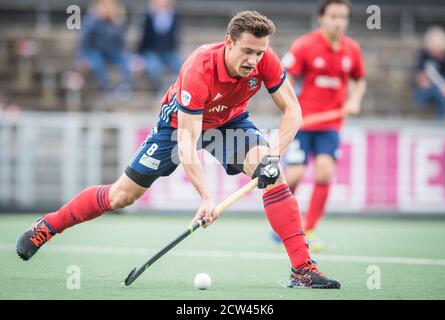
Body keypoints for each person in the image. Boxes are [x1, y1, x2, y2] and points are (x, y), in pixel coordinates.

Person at [17, 11, 340, 289]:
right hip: (177, 125)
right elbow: (188, 142)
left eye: (259, 53)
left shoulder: (264, 59)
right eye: (247, 52)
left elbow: (293, 111)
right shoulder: (198, 68)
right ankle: (47, 226)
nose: (253, 60)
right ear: (228, 42)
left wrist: (274, 154)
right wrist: (205, 198)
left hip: (230, 121)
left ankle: (302, 269)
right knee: (121, 196)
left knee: (272, 175)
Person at [279, 0, 366, 251]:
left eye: (343, 17)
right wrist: (289, 108)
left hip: (330, 125)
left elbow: (360, 80)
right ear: (321, 18)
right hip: (302, 123)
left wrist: (354, 100)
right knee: (294, 175)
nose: (338, 22)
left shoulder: (352, 49)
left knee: (325, 173)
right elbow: (286, 79)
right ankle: (284, 224)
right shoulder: (304, 45)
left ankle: (309, 228)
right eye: (333, 16)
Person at [76, 0, 132, 97]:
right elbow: (84, 41)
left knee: (126, 60)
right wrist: (81, 57)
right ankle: (106, 88)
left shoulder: (115, 22)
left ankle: (125, 87)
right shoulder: (92, 20)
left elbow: (120, 43)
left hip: (112, 52)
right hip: (94, 51)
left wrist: (117, 23)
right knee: (98, 63)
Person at [138, 0, 182, 93]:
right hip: (152, 51)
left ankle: (177, 90)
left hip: (169, 51)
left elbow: (175, 36)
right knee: (154, 68)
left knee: (181, 67)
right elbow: (144, 37)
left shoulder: (172, 15)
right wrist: (140, 55)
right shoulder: (149, 16)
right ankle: (160, 90)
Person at [413, 26, 445, 120]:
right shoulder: (423, 57)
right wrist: (422, 80)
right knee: (439, 92)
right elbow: (419, 79)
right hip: (424, 93)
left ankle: (440, 122)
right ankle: (440, 122)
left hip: (442, 91)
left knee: (440, 93)